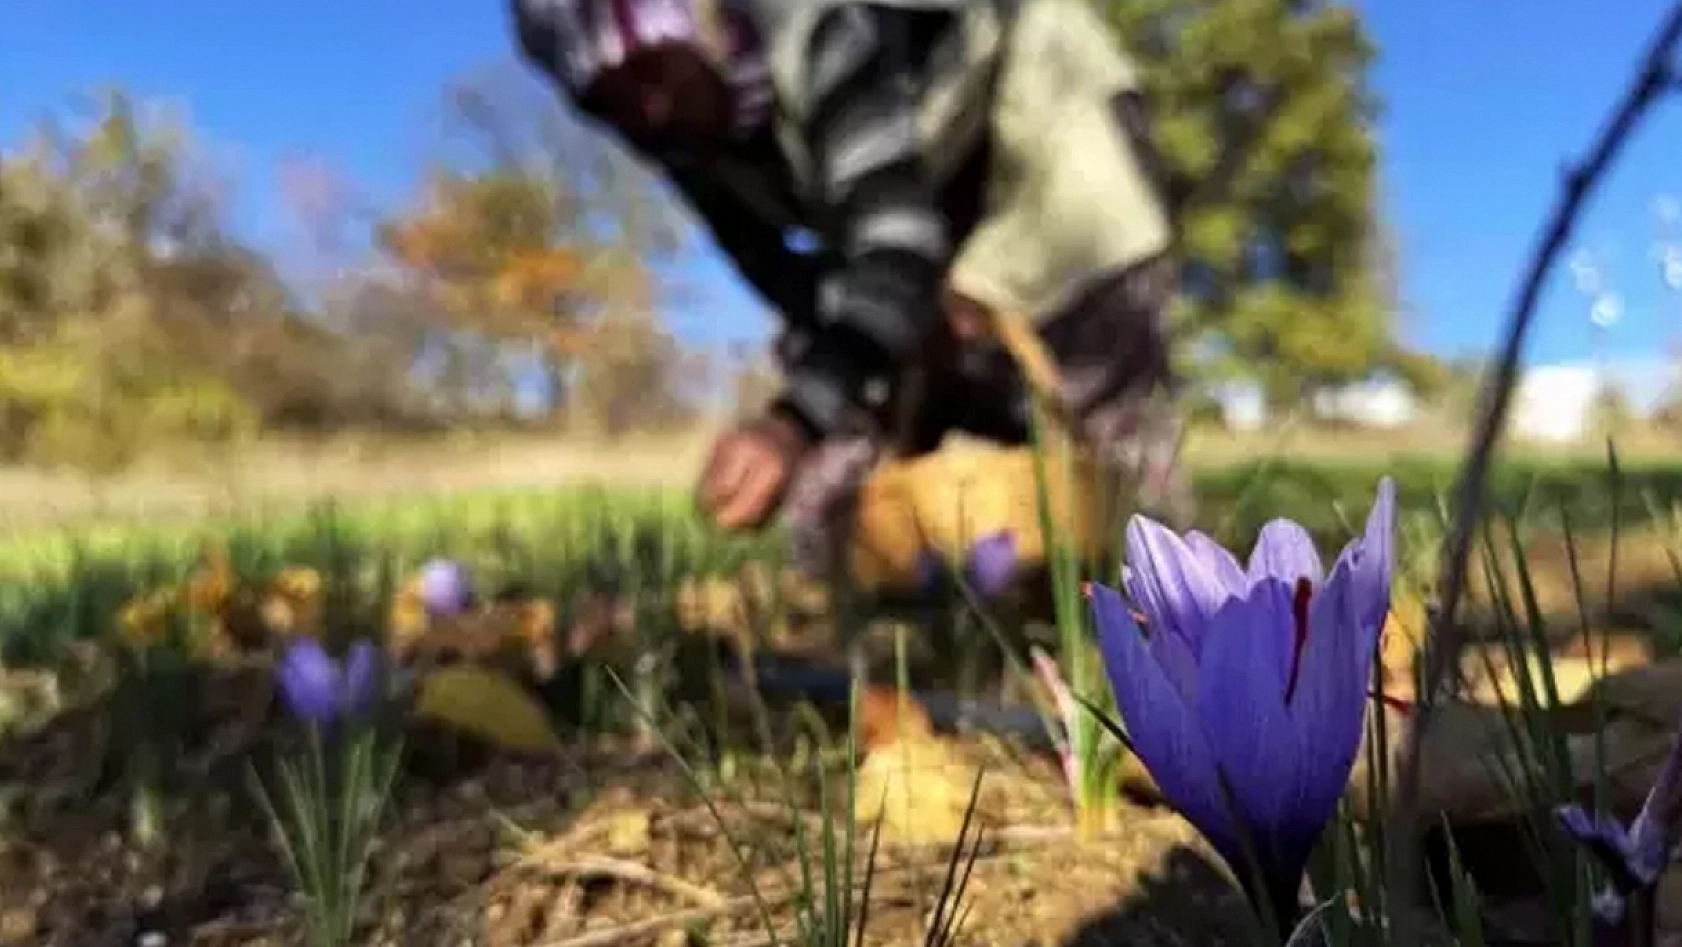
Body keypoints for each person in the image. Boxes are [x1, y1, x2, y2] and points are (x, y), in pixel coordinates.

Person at [511, 0, 1192, 574]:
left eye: (651, 67)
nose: (649, 107)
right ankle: (944, 590)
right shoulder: (683, 145)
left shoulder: (813, 32)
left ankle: (1172, 617)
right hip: (916, 207)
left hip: (1038, 125)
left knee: (1100, 403)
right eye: (610, 100)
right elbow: (791, 280)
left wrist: (793, 421)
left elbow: (899, 249)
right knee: (851, 470)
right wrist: (838, 383)